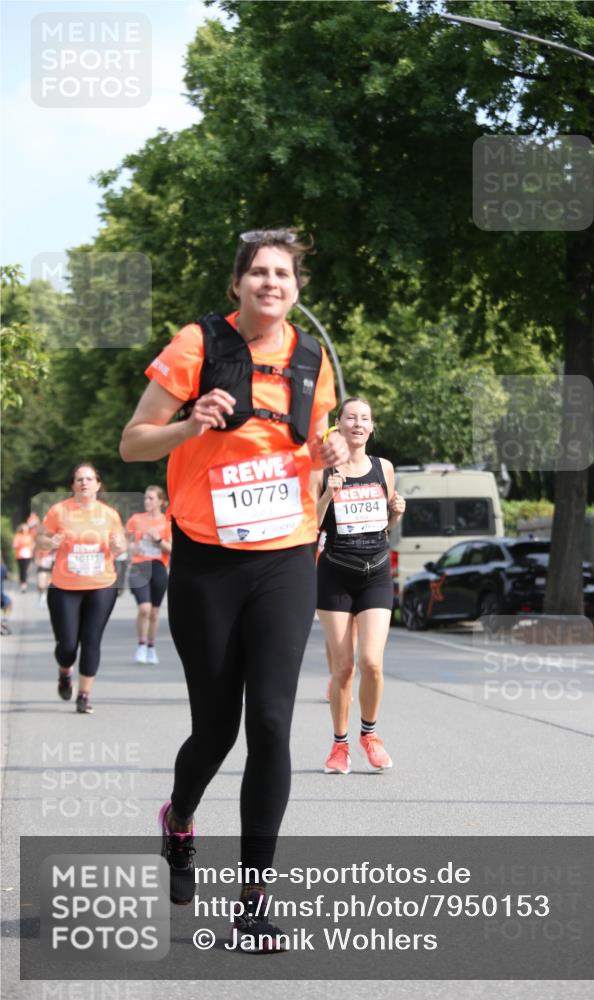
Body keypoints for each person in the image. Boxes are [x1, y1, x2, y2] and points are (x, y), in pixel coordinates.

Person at [120, 227, 348, 946]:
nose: (270, 283)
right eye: (258, 273)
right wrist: (189, 425)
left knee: (273, 725)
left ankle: (252, 901)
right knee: (216, 728)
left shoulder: (312, 360)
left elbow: (310, 455)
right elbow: (133, 441)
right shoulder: (196, 345)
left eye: (282, 274)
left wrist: (329, 453)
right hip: (207, 559)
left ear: (295, 288)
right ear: (237, 284)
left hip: (282, 555)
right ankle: (180, 819)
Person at [312, 397, 405, 775]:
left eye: (365, 418)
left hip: (376, 572)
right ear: (338, 424)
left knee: (372, 662)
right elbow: (310, 527)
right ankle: (339, 745)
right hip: (335, 572)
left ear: (372, 427)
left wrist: (396, 514)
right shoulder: (323, 469)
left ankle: (369, 734)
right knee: (344, 668)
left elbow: (385, 527)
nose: (358, 423)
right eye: (351, 417)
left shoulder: (384, 468)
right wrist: (328, 494)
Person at [37, 463, 126, 714]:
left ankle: (84, 695)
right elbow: (40, 540)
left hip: (101, 584)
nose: (84, 483)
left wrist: (119, 545)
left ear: (98, 484)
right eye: (79, 479)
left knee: (91, 640)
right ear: (72, 485)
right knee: (67, 646)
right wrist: (49, 541)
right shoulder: (58, 511)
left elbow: (120, 547)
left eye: (89, 479)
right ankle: (65, 672)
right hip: (65, 586)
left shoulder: (109, 514)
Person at [125, 485, 172, 664]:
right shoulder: (136, 519)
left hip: (159, 567)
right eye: (145, 498)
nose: (147, 501)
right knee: (144, 608)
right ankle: (141, 644)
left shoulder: (167, 522)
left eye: (151, 498)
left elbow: (172, 549)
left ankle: (151, 647)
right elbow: (124, 540)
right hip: (139, 566)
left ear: (161, 501)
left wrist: (158, 540)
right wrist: (130, 547)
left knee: (154, 612)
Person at [12, 523, 34, 593]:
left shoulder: (30, 536)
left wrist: (31, 548)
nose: (25, 529)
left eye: (26, 528)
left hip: (28, 555)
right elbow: (14, 544)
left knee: (25, 570)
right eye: (24, 528)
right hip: (20, 555)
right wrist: (18, 545)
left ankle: (24, 583)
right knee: (22, 570)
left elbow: (33, 544)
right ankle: (23, 584)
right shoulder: (18, 536)